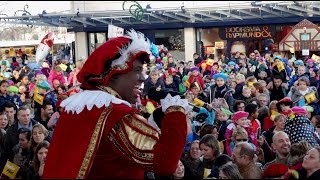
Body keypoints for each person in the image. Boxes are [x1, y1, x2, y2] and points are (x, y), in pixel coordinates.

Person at [43, 30, 190, 179]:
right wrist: (175, 112)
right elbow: (166, 162)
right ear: (113, 75)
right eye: (137, 70)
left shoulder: (78, 107)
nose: (142, 78)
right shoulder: (116, 113)